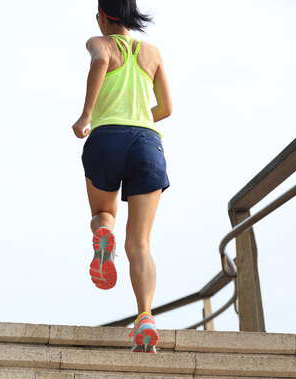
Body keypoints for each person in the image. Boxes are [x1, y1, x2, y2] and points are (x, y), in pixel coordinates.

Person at [72, 0, 172, 353]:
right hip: (147, 143)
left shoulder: (99, 43)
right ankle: (145, 316)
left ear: (102, 16)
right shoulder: (152, 53)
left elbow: (100, 61)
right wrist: (140, 119)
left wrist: (86, 115)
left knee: (104, 214)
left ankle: (104, 235)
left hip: (105, 139)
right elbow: (167, 108)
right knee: (141, 243)